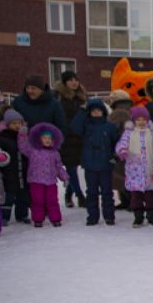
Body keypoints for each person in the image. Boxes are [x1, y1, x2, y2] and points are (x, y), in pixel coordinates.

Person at [70, 98, 119, 226]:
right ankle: (92, 216)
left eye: (99, 110)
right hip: (90, 164)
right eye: (93, 111)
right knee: (91, 192)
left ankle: (109, 216)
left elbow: (116, 142)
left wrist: (115, 155)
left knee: (107, 192)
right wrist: (82, 111)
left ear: (103, 112)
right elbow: (75, 127)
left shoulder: (110, 126)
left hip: (106, 164)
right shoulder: (86, 126)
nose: (96, 113)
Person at [115, 106, 153, 228]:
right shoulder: (129, 133)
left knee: (150, 197)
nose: (141, 122)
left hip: (149, 171)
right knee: (136, 197)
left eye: (144, 119)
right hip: (134, 171)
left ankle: (152, 217)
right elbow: (121, 145)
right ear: (133, 120)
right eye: (138, 119)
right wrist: (122, 151)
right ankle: (138, 217)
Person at [17, 122, 68, 227]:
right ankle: (38, 219)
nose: (47, 140)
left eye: (49, 138)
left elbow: (59, 166)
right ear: (38, 139)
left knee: (52, 200)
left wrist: (64, 177)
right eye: (44, 138)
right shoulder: (33, 150)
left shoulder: (55, 153)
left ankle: (55, 219)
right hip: (36, 180)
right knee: (37, 201)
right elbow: (23, 147)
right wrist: (22, 135)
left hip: (51, 181)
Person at [54, 70, 87, 209]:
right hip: (66, 137)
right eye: (70, 80)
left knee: (77, 166)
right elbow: (58, 116)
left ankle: (68, 193)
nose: (74, 82)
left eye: (75, 79)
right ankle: (80, 195)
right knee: (71, 168)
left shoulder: (82, 97)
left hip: (81, 137)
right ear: (64, 82)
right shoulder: (58, 97)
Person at [0, 109, 31, 225]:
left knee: (23, 195)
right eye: (13, 123)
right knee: (8, 196)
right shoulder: (2, 139)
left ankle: (22, 215)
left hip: (23, 172)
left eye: (19, 123)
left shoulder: (25, 137)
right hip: (9, 173)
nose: (17, 126)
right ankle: (4, 217)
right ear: (7, 125)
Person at [107, 89, 134, 210]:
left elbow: (111, 130)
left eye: (112, 98)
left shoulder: (118, 113)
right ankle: (128, 201)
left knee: (120, 176)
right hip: (128, 148)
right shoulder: (128, 110)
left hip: (119, 148)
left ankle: (128, 201)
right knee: (125, 175)